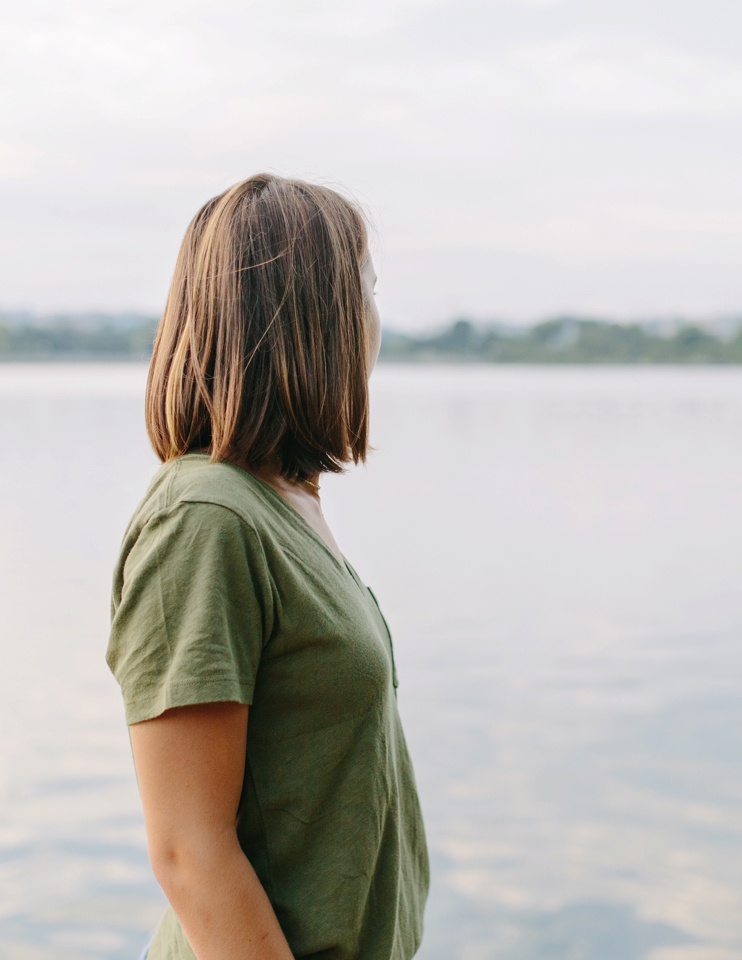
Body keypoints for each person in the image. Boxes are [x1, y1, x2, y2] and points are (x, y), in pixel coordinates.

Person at [106, 174, 428, 960]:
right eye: (365, 289)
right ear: (316, 314)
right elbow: (190, 851)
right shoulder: (206, 519)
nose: (375, 320)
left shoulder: (279, 503)